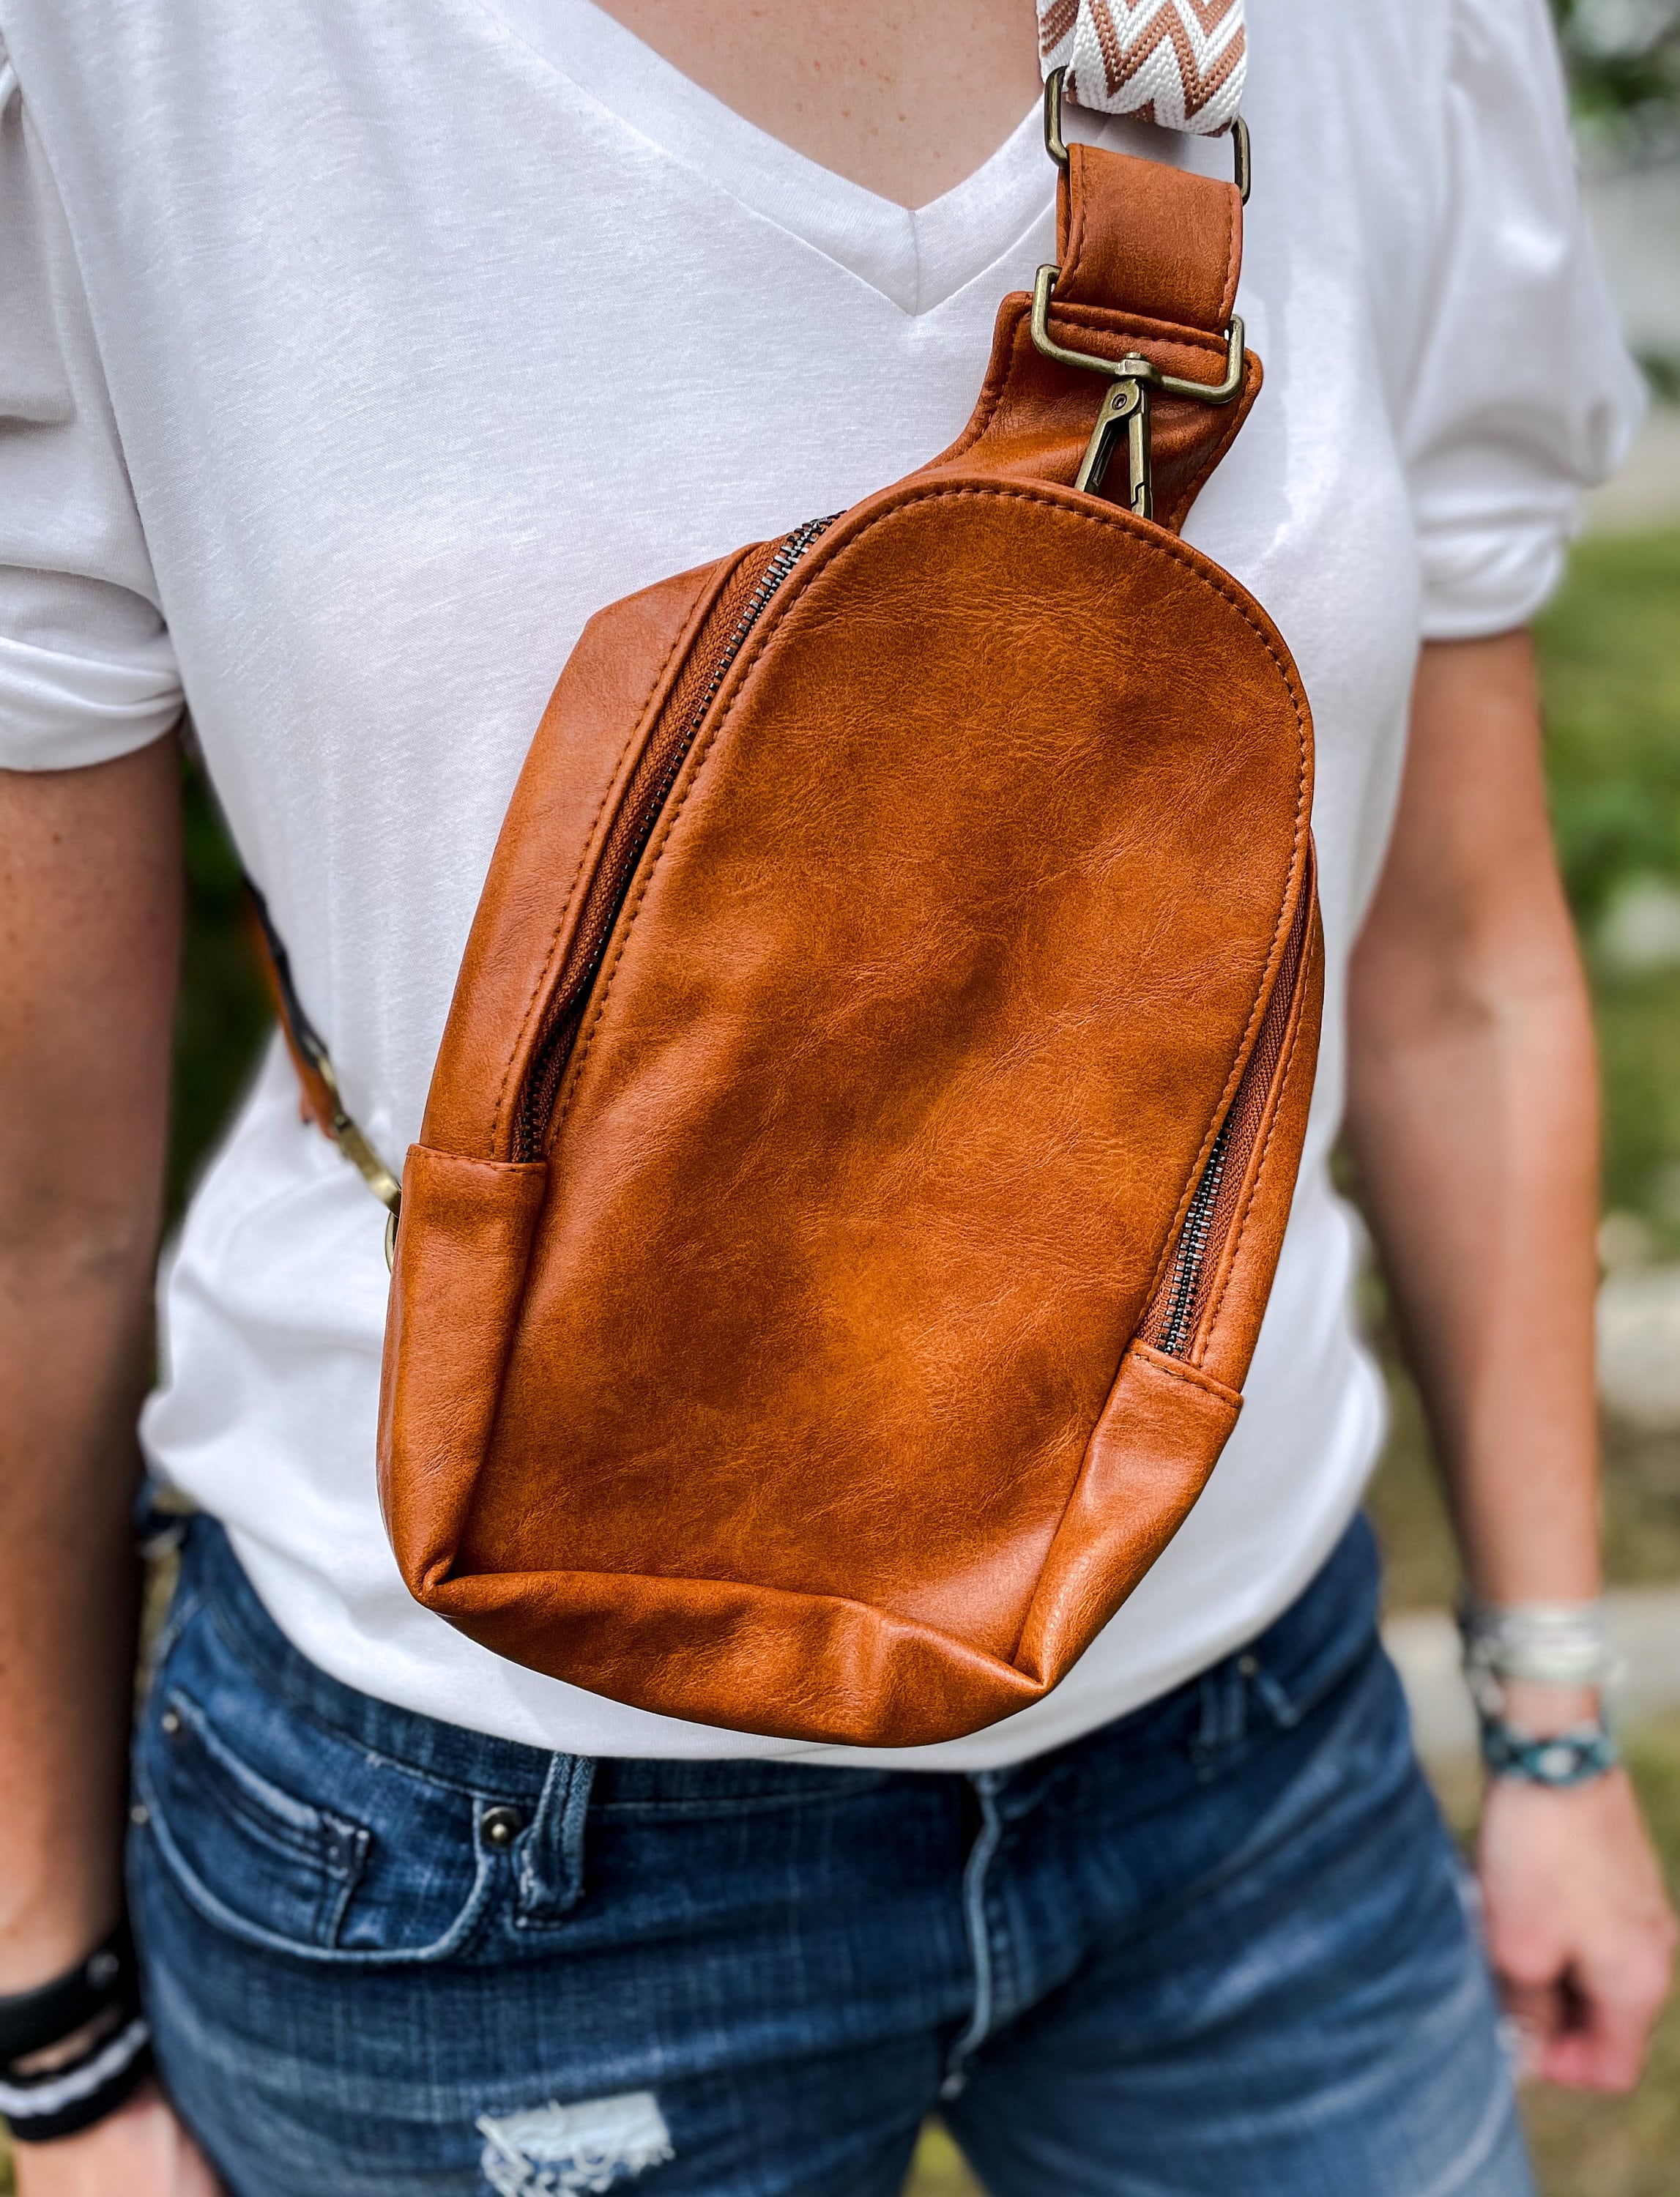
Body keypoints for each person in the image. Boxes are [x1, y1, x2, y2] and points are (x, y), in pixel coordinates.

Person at [1, 0, 1674, 2190]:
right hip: (477, 1838)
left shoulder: (1387, 36)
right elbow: (40, 1204)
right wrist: (47, 1998)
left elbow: (1458, 970)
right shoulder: (144, 60)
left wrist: (1550, 1719)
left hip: (1244, 1736)